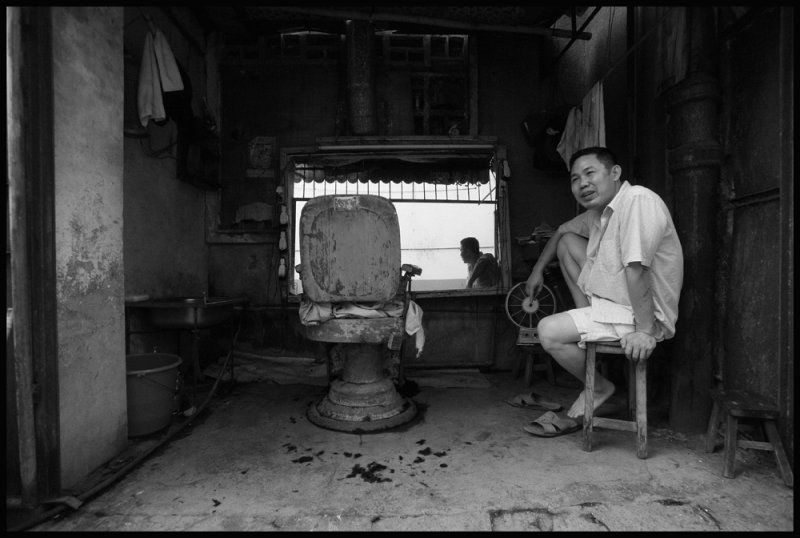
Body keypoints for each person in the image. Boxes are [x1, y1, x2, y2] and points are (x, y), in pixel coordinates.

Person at [525, 146, 683, 419]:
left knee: (548, 331)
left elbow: (636, 271)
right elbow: (562, 230)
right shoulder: (599, 213)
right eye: (575, 179)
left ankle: (599, 388)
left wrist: (645, 332)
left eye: (590, 173)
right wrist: (537, 271)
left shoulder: (637, 200)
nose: (582, 183)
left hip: (644, 313)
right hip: (618, 303)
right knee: (567, 242)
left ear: (615, 173)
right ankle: (587, 320)